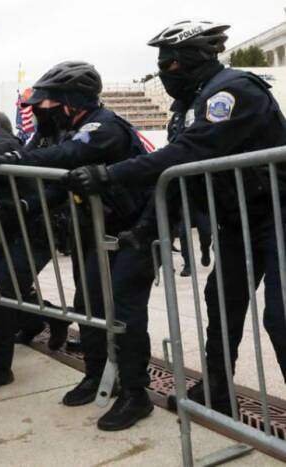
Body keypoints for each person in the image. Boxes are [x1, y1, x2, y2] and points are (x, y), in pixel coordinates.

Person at [65, 21, 286, 417]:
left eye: (170, 64)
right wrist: (146, 228)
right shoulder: (188, 106)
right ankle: (218, 389)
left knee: (281, 316)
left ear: (196, 58)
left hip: (280, 214)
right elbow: (181, 182)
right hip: (239, 222)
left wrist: (111, 174)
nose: (165, 72)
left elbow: (187, 154)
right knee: (220, 301)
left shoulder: (234, 91)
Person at [0, 62, 156, 430]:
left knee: (124, 312)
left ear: (71, 101)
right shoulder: (70, 129)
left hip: (134, 234)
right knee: (86, 306)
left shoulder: (103, 127)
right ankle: (97, 374)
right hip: (93, 234)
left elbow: (68, 157)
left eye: (46, 103)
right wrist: (26, 205)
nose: (40, 111)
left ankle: (136, 393)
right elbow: (62, 182)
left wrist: (8, 160)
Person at [0, 107, 71, 395]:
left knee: (4, 291)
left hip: (36, 232)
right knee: (7, 292)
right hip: (10, 234)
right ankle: (48, 319)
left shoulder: (4, 144)